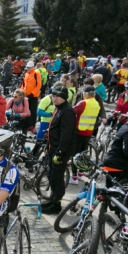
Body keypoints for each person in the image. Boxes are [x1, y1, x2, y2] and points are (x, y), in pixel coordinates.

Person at [43, 85, 77, 213]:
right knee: (51, 175)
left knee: (57, 178)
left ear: (64, 97)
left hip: (60, 151)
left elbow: (66, 134)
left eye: (57, 96)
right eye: (53, 95)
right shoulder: (59, 108)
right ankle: (53, 199)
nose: (54, 98)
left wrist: (60, 152)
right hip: (53, 148)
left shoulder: (67, 111)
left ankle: (56, 205)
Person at [20, 61, 42, 130]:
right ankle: (26, 125)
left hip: (33, 96)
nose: (28, 69)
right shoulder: (25, 74)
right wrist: (21, 92)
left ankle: (32, 126)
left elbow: (39, 85)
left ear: (32, 67)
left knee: (33, 111)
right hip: (25, 96)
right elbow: (23, 84)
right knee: (26, 111)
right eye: (27, 67)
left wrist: (32, 94)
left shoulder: (36, 73)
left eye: (29, 67)